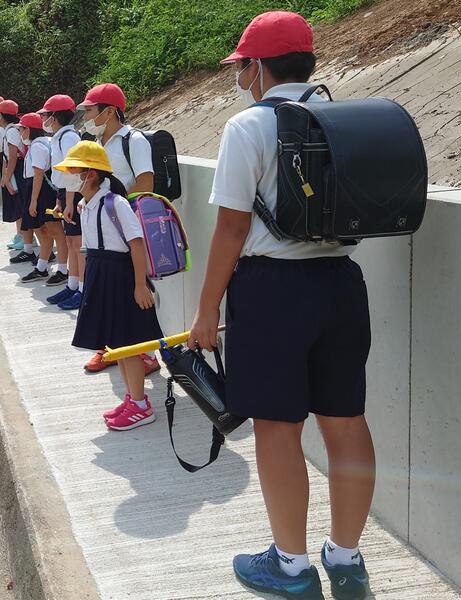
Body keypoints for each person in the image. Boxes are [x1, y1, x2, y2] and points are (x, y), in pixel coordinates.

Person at [187, 11, 375, 600]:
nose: (240, 77)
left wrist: (205, 310)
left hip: (271, 290)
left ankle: (291, 567)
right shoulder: (340, 118)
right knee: (345, 421)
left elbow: (231, 227)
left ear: (260, 67)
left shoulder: (248, 126)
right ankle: (347, 560)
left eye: (242, 66)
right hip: (341, 283)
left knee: (277, 426)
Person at [54, 142, 163, 431]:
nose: (69, 177)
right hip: (101, 274)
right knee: (117, 345)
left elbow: (136, 244)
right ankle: (133, 399)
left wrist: (140, 286)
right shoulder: (86, 206)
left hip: (120, 276)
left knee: (129, 344)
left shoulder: (116, 203)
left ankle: (141, 406)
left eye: (74, 170)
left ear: (90, 174)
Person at [76, 83, 160, 377]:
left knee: (135, 295)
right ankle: (115, 347)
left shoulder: (133, 140)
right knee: (113, 297)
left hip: (128, 229)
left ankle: (145, 354)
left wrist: (112, 204)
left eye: (90, 111)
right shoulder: (98, 144)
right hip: (107, 234)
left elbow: (146, 182)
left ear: (110, 111)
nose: (87, 117)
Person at [20, 95, 77, 286]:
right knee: (53, 233)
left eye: (45, 115)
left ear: (55, 116)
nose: (43, 119)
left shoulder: (67, 138)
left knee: (60, 234)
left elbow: (70, 170)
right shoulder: (56, 138)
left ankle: (65, 273)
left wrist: (35, 200)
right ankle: (45, 268)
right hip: (60, 191)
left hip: (60, 191)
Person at [10, 113, 55, 266]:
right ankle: (44, 256)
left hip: (38, 189)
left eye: (21, 129)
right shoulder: (37, 145)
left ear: (28, 130)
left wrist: (33, 200)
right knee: (37, 225)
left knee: (41, 228)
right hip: (34, 187)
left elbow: (38, 174)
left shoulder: (37, 147)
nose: (20, 133)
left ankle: (45, 258)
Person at [0, 100, 26, 247]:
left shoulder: (12, 131)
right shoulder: (9, 130)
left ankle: (24, 237)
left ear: (2, 116)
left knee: (19, 203)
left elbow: (13, 157)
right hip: (13, 170)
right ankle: (21, 235)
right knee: (16, 204)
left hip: (17, 170)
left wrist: (7, 178)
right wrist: (5, 176)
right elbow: (6, 157)